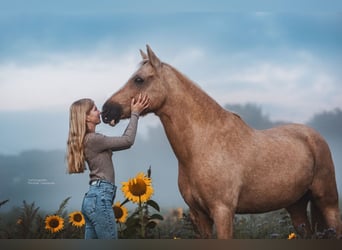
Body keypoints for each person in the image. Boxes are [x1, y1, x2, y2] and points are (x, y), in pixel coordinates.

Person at [66, 93, 150, 239]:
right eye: (95, 109)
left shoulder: (89, 139)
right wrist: (135, 113)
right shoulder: (93, 139)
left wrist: (114, 119)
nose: (99, 112)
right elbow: (127, 141)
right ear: (86, 117)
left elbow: (115, 140)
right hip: (100, 197)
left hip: (93, 198)